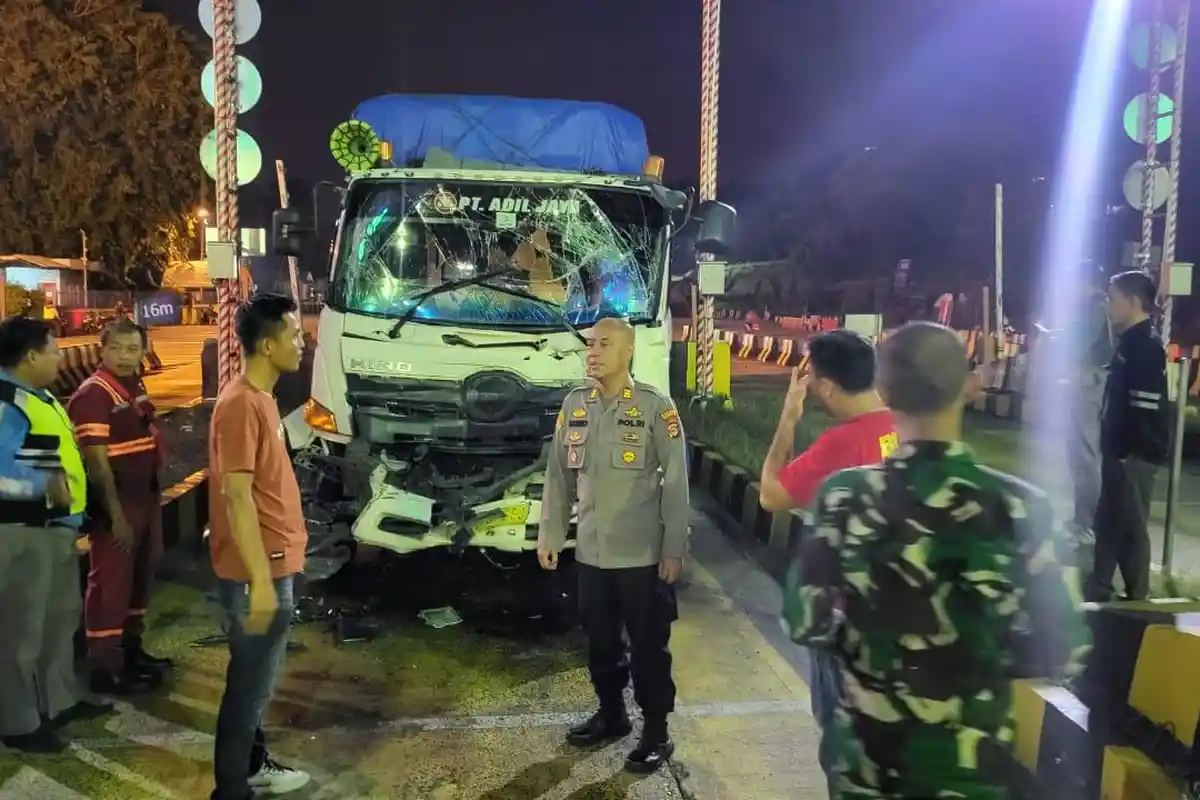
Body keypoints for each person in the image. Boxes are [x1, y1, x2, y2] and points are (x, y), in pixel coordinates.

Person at [782, 321, 1089, 798]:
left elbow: (806, 622)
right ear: (969, 387)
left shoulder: (845, 498)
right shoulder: (1021, 508)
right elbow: (1065, 648)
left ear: (884, 389)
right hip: (971, 775)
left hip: (868, 771)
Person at [538, 316, 688, 774]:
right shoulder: (575, 405)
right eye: (590, 345)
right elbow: (559, 476)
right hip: (592, 554)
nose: (593, 352)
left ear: (628, 353)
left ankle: (657, 731)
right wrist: (550, 532)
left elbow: (677, 482)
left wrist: (673, 548)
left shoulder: (654, 407)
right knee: (601, 644)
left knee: (648, 649)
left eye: (604, 345)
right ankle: (612, 715)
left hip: (641, 556)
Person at [756, 330, 896, 794]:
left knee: (846, 752)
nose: (810, 387)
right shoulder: (907, 428)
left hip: (847, 626)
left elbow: (771, 494)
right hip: (905, 621)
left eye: (812, 379)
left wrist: (788, 419)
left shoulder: (843, 445)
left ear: (829, 386)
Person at [208, 294, 311, 799]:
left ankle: (249, 765)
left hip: (271, 566)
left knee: (254, 686)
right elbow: (236, 496)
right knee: (248, 690)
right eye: (294, 334)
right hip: (259, 573)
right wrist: (263, 581)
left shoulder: (262, 399)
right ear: (268, 345)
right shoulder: (240, 404)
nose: (303, 339)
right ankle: (231, 788)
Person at [0, 317, 111, 753]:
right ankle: (17, 721)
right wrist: (40, 483)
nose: (60, 357)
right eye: (53, 351)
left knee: (59, 619)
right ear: (29, 356)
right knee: (20, 632)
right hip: (24, 532)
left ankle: (58, 700)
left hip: (56, 530)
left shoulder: (36, 395)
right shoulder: (7, 401)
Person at [68, 318, 172, 695]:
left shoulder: (132, 387)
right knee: (110, 585)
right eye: (117, 348)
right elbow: (96, 463)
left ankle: (131, 653)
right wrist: (115, 517)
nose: (125, 356)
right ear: (102, 349)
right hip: (118, 506)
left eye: (133, 349)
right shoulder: (94, 395)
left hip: (144, 498)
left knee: (140, 578)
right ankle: (105, 667)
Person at [1086, 271, 1170, 602]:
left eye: (1113, 298)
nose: (1108, 305)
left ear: (1133, 302)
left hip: (1133, 454)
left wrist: (1125, 452)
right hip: (1119, 451)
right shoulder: (1129, 342)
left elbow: (1145, 409)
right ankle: (1100, 585)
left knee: (1130, 527)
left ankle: (1138, 598)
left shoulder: (1146, 347)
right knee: (1108, 522)